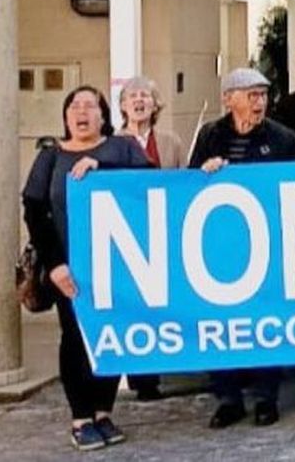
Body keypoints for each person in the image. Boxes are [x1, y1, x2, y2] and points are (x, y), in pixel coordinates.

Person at [23, 86, 150, 450]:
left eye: (90, 106)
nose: (82, 112)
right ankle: (80, 417)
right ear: (65, 116)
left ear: (103, 114)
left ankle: (103, 412)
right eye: (75, 106)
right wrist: (56, 264)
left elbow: (148, 184)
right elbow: (34, 211)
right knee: (76, 338)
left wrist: (102, 166)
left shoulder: (122, 148)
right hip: (70, 267)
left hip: (117, 265)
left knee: (110, 336)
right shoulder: (51, 156)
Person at [190, 68, 295, 428]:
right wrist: (204, 172)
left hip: (267, 244)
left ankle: (266, 397)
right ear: (228, 99)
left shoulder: (284, 139)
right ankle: (227, 398)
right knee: (218, 324)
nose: (260, 103)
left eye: (263, 95)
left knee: (265, 320)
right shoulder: (210, 135)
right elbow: (187, 187)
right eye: (251, 95)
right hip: (218, 247)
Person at [115, 75, 186, 401]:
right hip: (127, 235)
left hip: (165, 233)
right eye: (133, 96)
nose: (139, 101)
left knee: (162, 300)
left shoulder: (171, 142)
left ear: (156, 104)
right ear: (123, 105)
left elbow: (185, 183)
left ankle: (161, 370)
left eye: (146, 95)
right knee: (134, 304)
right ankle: (141, 378)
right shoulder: (111, 142)